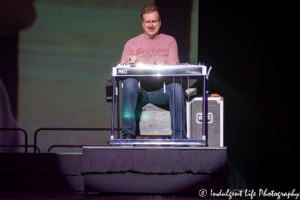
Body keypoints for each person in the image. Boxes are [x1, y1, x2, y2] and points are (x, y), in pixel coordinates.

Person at [120, 5, 187, 140]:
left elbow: (174, 67)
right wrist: (129, 62)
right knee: (128, 83)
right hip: (140, 92)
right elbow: (121, 68)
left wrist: (163, 66)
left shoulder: (170, 41)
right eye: (147, 22)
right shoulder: (131, 43)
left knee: (177, 88)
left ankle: (179, 137)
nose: (151, 25)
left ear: (160, 22)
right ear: (142, 23)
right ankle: (128, 133)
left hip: (161, 92)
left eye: (154, 21)